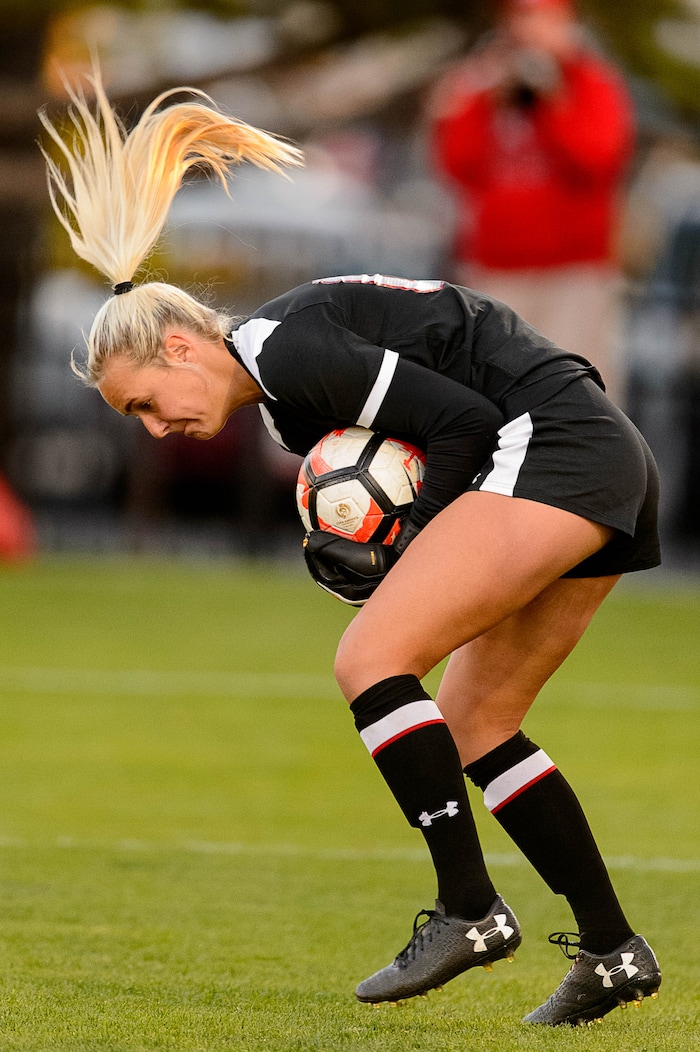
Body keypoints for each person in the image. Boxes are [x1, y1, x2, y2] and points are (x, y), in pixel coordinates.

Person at [39, 69, 662, 1028]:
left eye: (144, 405)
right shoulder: (288, 397)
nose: (155, 429)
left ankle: (470, 910)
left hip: (555, 444)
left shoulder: (283, 349)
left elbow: (459, 427)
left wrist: (406, 545)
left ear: (177, 346)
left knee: (372, 659)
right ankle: (614, 950)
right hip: (597, 451)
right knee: (477, 718)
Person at [428, 0, 635, 405]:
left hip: (573, 273)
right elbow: (455, 163)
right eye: (521, 18)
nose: (530, 30)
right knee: (491, 395)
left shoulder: (591, 82)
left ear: (567, 24)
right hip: (497, 269)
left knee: (578, 395)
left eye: (542, 18)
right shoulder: (485, 85)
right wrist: (479, 96)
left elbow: (597, 159)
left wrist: (555, 100)